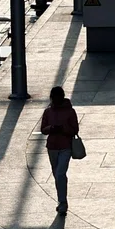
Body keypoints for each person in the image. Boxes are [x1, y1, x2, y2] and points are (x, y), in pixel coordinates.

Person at [40, 87, 79, 215]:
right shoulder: (48, 112)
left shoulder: (70, 111)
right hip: (52, 147)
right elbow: (43, 129)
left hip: (65, 146)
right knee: (57, 175)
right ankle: (61, 200)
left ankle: (62, 202)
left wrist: (63, 129)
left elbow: (75, 129)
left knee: (60, 174)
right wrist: (51, 128)